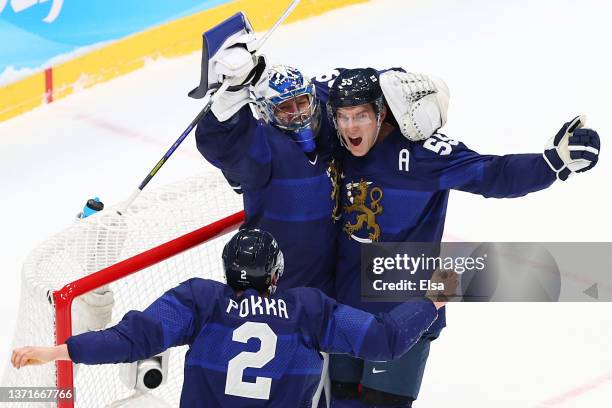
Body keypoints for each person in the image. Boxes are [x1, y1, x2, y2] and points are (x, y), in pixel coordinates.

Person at [317, 68, 600, 407]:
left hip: (402, 309)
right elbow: (305, 91)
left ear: (381, 113)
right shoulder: (335, 140)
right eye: (344, 117)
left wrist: (552, 163)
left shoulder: (421, 154)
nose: (350, 127)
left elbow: (492, 174)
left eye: (361, 116)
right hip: (345, 308)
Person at [11, 228, 451, 408]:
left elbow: (131, 339)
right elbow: (385, 341)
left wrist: (56, 349)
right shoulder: (308, 309)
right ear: (277, 275)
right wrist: (432, 298)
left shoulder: (200, 300)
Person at [190, 14, 341, 296]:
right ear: (264, 111)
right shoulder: (263, 146)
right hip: (282, 293)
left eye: (302, 102)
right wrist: (231, 91)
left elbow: (352, 83)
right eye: (285, 107)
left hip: (332, 286)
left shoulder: (327, 125)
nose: (298, 113)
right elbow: (218, 141)